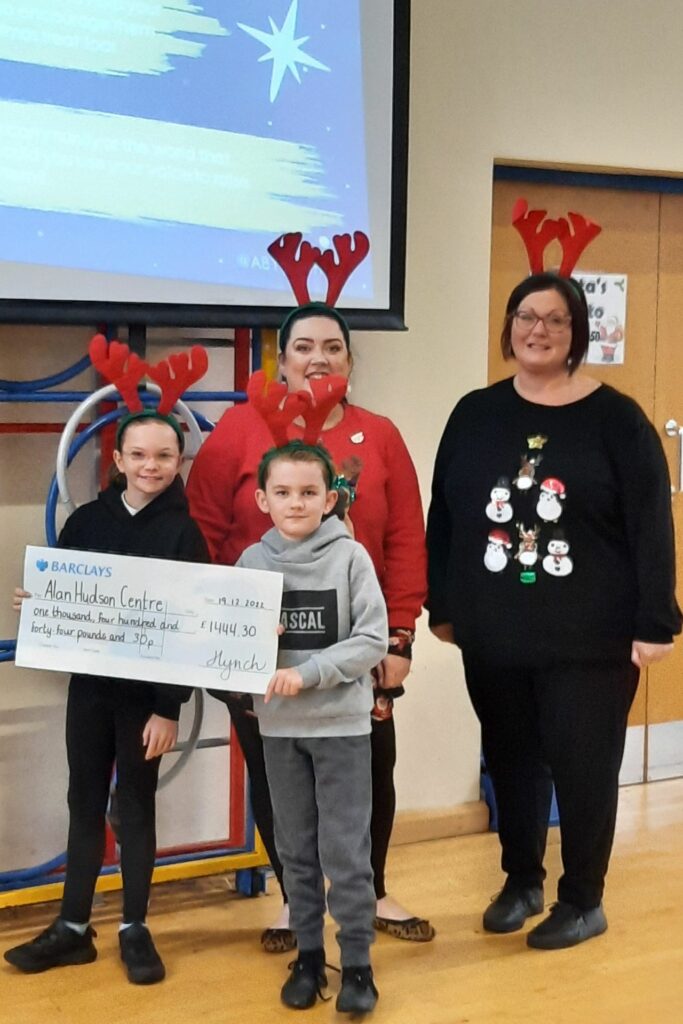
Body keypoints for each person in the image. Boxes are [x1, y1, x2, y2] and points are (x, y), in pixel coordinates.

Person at [426, 272, 681, 950]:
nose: (537, 330)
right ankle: (520, 880)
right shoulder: (474, 413)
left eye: (555, 320)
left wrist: (656, 620)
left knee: (581, 763)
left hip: (590, 637)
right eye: (525, 316)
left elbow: (650, 524)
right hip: (493, 631)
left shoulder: (615, 419)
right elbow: (445, 516)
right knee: (510, 759)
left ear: (576, 334)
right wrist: (442, 604)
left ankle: (582, 897)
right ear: (508, 326)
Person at [186, 302, 431, 949]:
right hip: (263, 654)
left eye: (332, 347)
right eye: (302, 347)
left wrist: (400, 635)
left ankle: (370, 887)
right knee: (277, 777)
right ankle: (295, 899)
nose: (317, 358)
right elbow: (203, 533)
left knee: (369, 771)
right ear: (281, 358)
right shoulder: (238, 429)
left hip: (359, 649)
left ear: (351, 360)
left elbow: (405, 536)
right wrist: (221, 633)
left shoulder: (379, 436)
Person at [5, 411, 209, 983]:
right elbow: (69, 608)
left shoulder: (184, 534)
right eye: (139, 455)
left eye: (164, 456)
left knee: (137, 806)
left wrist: (170, 707)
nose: (151, 466)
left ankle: (134, 926)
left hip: (148, 703)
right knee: (84, 801)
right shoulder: (87, 523)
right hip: (90, 694)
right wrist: (42, 606)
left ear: (178, 462)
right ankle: (73, 927)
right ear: (118, 461)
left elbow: (192, 627)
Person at [238, 439, 387, 1012]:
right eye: (283, 493)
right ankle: (307, 957)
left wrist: (310, 673)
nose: (295, 503)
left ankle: (356, 965)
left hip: (342, 729)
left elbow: (371, 640)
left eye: (308, 493)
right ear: (262, 499)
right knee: (294, 848)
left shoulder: (351, 559)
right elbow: (226, 635)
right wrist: (250, 641)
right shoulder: (251, 563)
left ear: (329, 500)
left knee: (346, 851)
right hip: (279, 730)